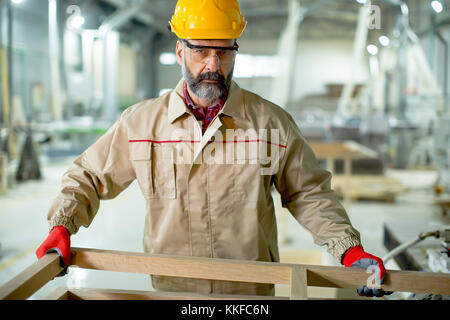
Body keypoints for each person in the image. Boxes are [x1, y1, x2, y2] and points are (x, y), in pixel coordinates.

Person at [36, 0, 391, 297]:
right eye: (201, 51)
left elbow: (309, 193)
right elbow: (89, 175)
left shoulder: (270, 123)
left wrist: (348, 248)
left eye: (223, 52)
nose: (212, 65)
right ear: (180, 51)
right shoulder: (142, 124)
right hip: (174, 290)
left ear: (235, 52)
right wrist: (63, 224)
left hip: (249, 295)